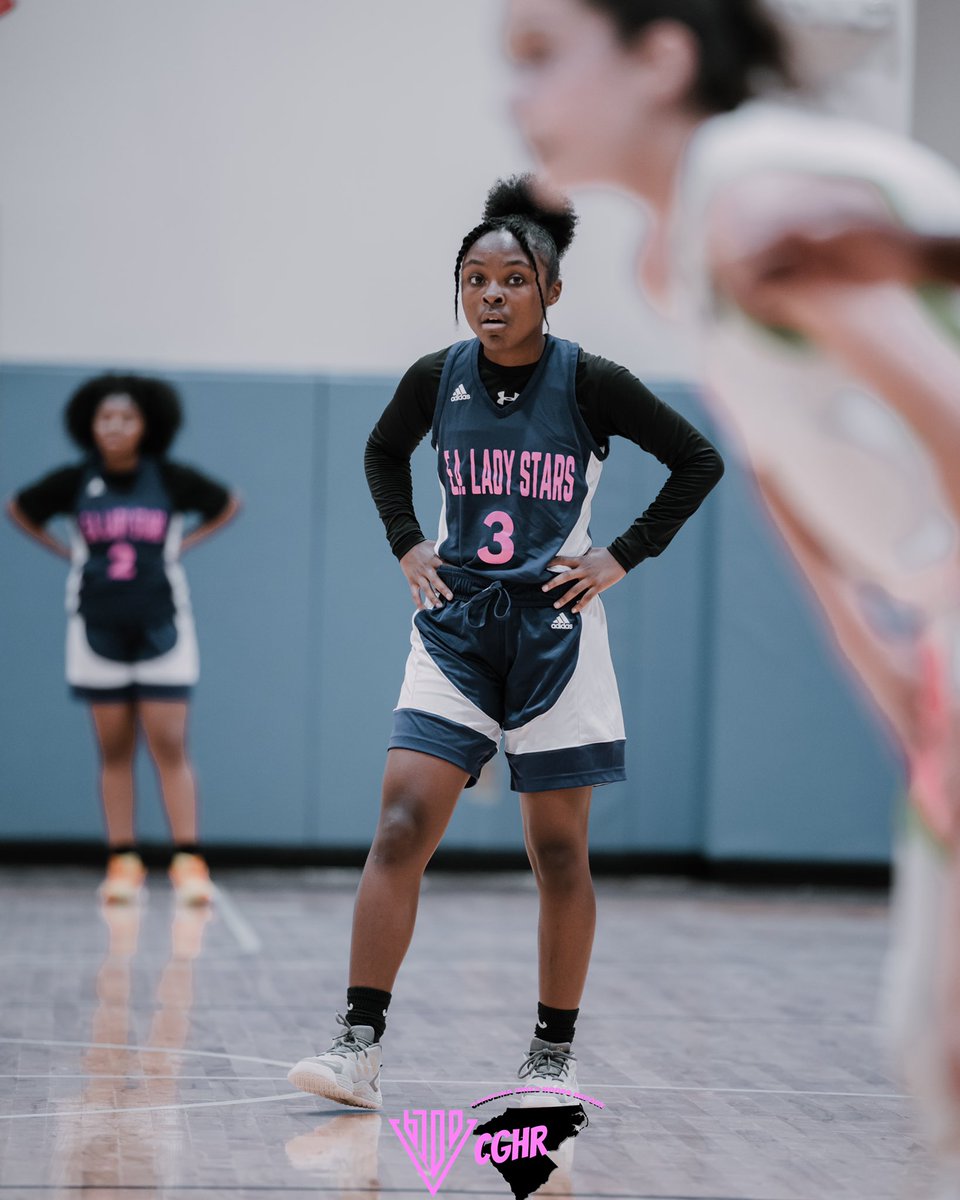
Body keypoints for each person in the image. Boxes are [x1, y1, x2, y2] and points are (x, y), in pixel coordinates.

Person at [503, 0, 960, 1185]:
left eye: (543, 56)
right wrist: (893, 683)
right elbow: (784, 475)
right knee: (938, 1045)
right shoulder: (684, 246)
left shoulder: (760, 201)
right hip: (939, 627)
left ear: (661, 59)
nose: (518, 98)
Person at [287, 176, 724, 1109]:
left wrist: (621, 556)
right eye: (474, 279)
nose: (491, 295)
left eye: (512, 280)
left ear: (551, 291)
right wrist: (408, 540)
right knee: (402, 818)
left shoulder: (591, 380)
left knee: (559, 852)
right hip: (455, 627)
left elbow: (700, 458)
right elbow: (379, 451)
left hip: (556, 633)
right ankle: (358, 1045)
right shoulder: (433, 378)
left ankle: (550, 1058)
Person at [7, 375, 240, 905]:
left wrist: (182, 543)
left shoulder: (170, 479)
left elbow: (228, 503)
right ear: (90, 426)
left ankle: (188, 860)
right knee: (113, 750)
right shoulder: (74, 481)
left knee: (170, 747)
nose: (115, 426)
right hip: (96, 627)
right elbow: (18, 508)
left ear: (146, 426)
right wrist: (67, 553)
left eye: (127, 418)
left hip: (163, 627)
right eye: (105, 418)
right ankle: (122, 861)